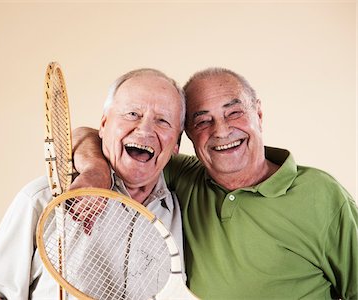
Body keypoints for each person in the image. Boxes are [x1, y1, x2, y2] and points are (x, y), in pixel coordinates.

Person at [72, 67, 358, 299]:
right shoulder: (178, 176)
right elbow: (90, 136)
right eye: (202, 121)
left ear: (258, 114)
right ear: (186, 139)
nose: (221, 131)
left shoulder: (321, 194)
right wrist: (96, 172)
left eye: (234, 113)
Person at [0, 68, 187, 299]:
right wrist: (96, 171)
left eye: (162, 121)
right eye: (132, 114)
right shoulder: (43, 198)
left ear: (177, 143)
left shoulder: (186, 212)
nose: (145, 129)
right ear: (104, 124)